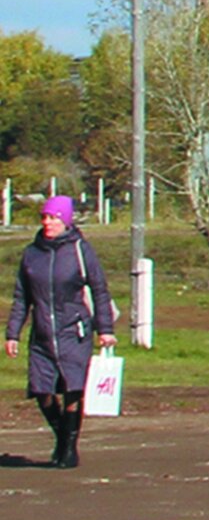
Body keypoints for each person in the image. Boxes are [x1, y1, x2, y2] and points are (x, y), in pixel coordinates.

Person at [6, 195, 115, 469]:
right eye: (44, 217)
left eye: (53, 218)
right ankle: (63, 438)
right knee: (41, 391)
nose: (47, 222)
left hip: (73, 331)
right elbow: (22, 297)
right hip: (42, 333)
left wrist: (105, 329)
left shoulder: (80, 250)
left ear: (65, 220)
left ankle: (68, 450)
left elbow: (100, 291)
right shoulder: (32, 253)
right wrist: (12, 333)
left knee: (72, 389)